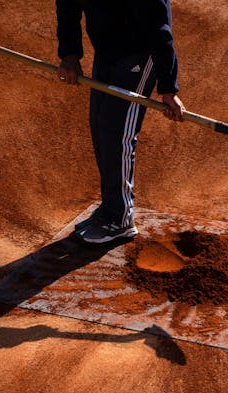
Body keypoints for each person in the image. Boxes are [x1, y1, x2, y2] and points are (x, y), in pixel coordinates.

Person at [56, 0, 186, 244]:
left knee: (116, 130)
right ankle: (110, 207)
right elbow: (67, 4)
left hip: (141, 51)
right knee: (100, 125)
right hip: (107, 49)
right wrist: (70, 54)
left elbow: (159, 29)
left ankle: (120, 218)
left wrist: (168, 88)